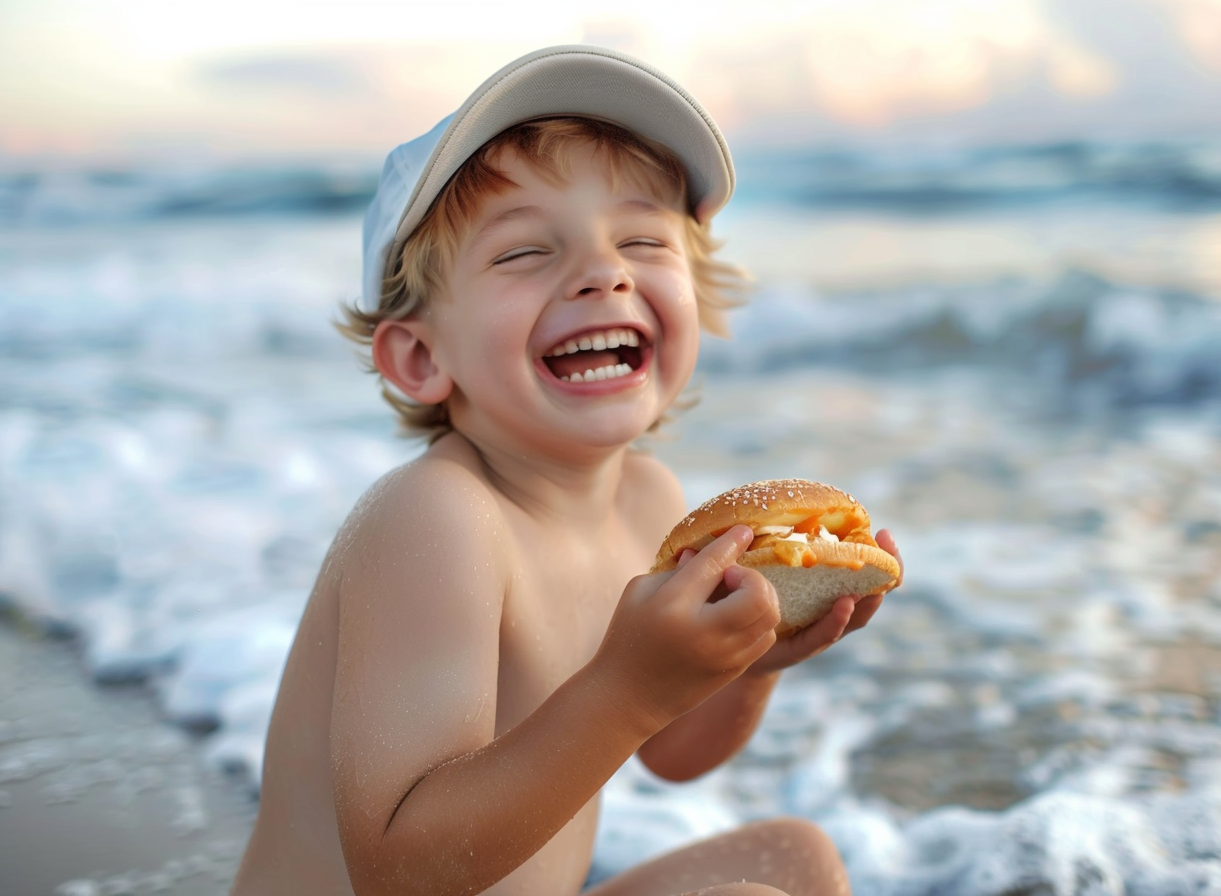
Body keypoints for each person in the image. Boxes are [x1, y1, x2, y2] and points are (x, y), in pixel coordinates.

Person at [230, 45, 899, 896]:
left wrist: (751, 657)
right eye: (523, 253)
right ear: (421, 357)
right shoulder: (436, 518)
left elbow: (673, 752)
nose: (603, 273)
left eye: (642, 239)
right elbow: (395, 871)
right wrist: (625, 691)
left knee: (799, 859)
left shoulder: (649, 498)